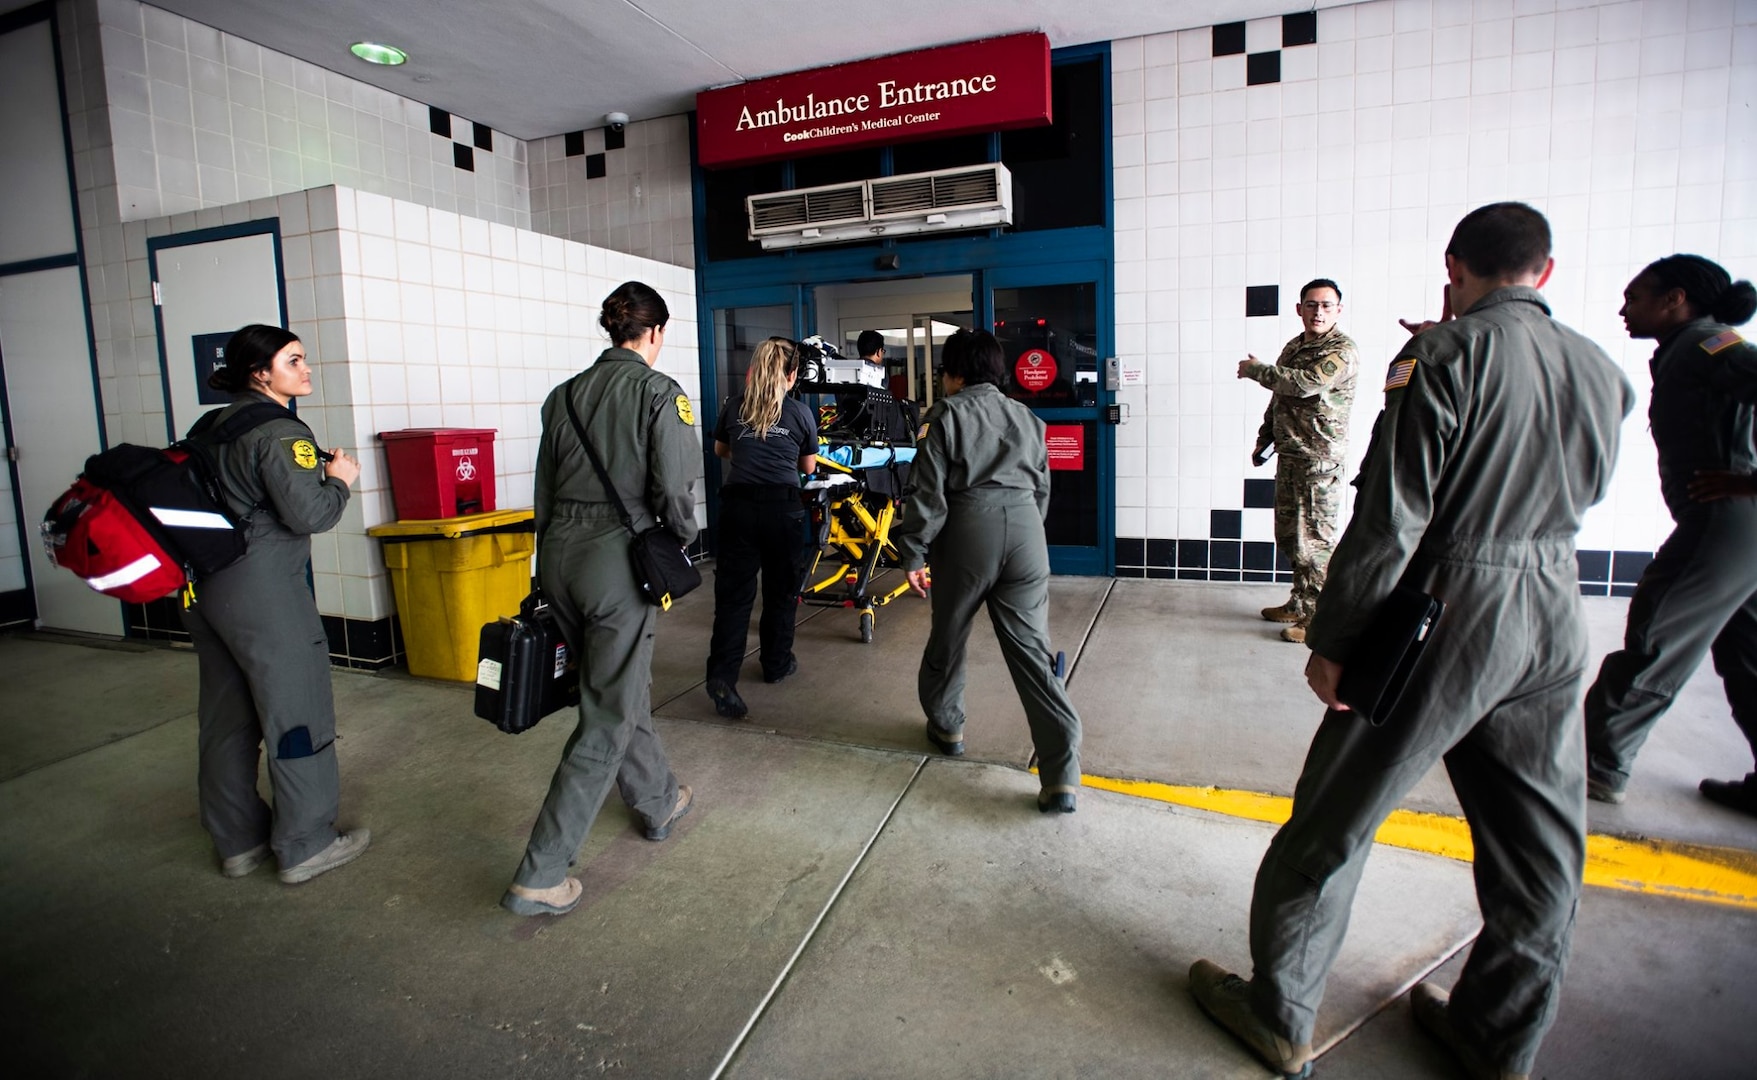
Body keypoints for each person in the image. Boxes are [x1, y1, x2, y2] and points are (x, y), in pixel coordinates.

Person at [1189, 203, 1634, 1080]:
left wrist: (1337, 637)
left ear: (1452, 267)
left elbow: (1392, 518)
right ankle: (1496, 1035)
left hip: (1449, 607)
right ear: (1543, 273)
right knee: (1539, 846)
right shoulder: (1603, 369)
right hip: (1554, 608)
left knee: (1332, 819)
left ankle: (1278, 1014)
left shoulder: (1437, 356)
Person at [502, 281, 698, 917]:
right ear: (655, 334)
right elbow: (674, 490)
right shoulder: (658, 392)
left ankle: (656, 798)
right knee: (606, 715)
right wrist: (682, 540)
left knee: (617, 684)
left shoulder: (564, 397)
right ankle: (542, 871)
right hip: (619, 561)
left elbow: (545, 489)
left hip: (559, 555)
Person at [180, 324, 369, 885]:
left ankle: (237, 843)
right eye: (294, 361)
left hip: (204, 590)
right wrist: (338, 479)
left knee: (226, 718)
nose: (306, 369)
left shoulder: (208, 425)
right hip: (263, 591)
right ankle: (306, 843)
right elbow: (310, 514)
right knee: (297, 709)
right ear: (261, 373)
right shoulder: (282, 432)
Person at [1581, 256, 1757, 815]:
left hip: (1724, 526)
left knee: (1656, 634)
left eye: (1634, 296)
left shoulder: (1708, 344)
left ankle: (1597, 770)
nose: (1623, 309)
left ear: (1675, 298)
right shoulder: (1692, 347)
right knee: (1747, 655)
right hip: (1735, 528)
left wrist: (1750, 482)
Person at [892, 329, 1082, 813]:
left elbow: (928, 495)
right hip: (1026, 535)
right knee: (1033, 653)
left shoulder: (945, 416)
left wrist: (913, 552)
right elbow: (1042, 491)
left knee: (950, 635)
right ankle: (1061, 774)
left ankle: (948, 724)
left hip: (967, 531)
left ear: (953, 374)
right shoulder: (1029, 418)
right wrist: (1022, 537)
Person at [1238, 280, 1359, 644]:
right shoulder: (1295, 346)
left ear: (1338, 310)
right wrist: (1265, 439)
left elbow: (1304, 384)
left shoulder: (1342, 350)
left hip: (1319, 462)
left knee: (1315, 543)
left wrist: (1256, 370)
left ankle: (1318, 619)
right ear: (1299, 309)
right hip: (1291, 457)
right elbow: (1280, 398)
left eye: (1326, 305)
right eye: (1311, 304)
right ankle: (1300, 602)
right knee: (1291, 537)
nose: (1318, 312)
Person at [705, 337, 818, 718]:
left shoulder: (734, 406)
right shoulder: (800, 413)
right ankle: (775, 664)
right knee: (780, 592)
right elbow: (808, 469)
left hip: (737, 506)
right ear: (791, 376)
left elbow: (721, 450)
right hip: (781, 510)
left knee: (734, 598)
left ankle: (722, 677)